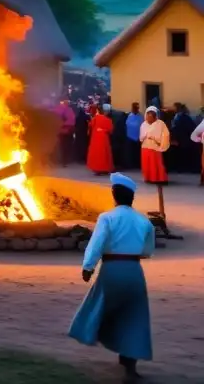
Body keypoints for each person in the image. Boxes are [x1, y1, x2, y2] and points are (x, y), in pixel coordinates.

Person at [69, 173, 154, 380]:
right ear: (132, 197)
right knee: (134, 315)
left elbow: (96, 244)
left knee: (99, 307)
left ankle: (92, 335)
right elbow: (148, 251)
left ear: (114, 195)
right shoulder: (144, 222)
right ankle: (129, 364)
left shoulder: (107, 218)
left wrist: (88, 266)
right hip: (134, 271)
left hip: (111, 269)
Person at [139, 107, 169, 184]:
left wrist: (156, 139)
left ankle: (159, 178)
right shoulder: (143, 124)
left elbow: (166, 134)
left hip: (155, 147)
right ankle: (148, 178)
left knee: (156, 164)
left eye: (151, 116)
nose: (149, 118)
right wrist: (146, 136)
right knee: (147, 164)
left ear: (155, 116)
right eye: (148, 116)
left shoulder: (160, 123)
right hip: (145, 146)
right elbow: (141, 137)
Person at [87, 105, 115, 175]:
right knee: (105, 154)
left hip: (96, 139)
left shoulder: (96, 118)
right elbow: (111, 130)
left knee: (97, 154)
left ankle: (97, 169)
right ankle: (105, 169)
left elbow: (90, 125)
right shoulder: (109, 120)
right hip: (104, 139)